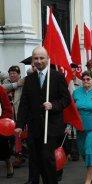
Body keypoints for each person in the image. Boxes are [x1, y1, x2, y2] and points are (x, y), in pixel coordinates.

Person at [15, 46, 71, 184]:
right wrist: (19, 125)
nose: (38, 61)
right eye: (36, 58)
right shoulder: (29, 79)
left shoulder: (57, 76)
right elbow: (24, 104)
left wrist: (53, 105)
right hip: (34, 127)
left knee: (47, 159)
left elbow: (66, 100)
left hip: (50, 127)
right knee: (34, 159)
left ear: (47, 59)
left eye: (41, 58)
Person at [3, 65, 25, 168]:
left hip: (19, 114)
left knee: (18, 136)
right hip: (7, 116)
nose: (12, 75)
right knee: (9, 137)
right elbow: (2, 88)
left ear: (19, 74)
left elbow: (30, 72)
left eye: (14, 73)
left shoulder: (24, 82)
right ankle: (13, 154)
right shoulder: (6, 83)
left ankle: (19, 156)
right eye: (10, 73)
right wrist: (15, 84)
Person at [0, 85, 14, 178]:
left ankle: (8, 162)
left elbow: (7, 107)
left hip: (0, 121)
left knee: (2, 144)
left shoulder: (0, 89)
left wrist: (3, 121)